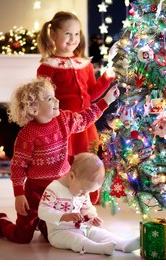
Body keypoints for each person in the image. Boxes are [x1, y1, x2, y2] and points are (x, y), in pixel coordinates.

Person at [0, 77, 119, 244]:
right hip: (35, 190)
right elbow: (18, 167)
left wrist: (106, 100)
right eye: (50, 99)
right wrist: (19, 194)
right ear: (33, 109)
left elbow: (86, 118)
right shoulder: (27, 135)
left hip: (60, 187)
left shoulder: (64, 119)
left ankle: (43, 224)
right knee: (22, 237)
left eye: (54, 96)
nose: (57, 100)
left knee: (53, 233)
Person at [37, 11, 116, 204]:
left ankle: (87, 204)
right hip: (63, 125)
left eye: (76, 34)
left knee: (90, 161)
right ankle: (62, 202)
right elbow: (45, 99)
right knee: (66, 163)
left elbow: (92, 93)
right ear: (53, 35)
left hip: (86, 124)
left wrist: (109, 71)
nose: (73, 39)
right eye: (67, 34)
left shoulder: (85, 64)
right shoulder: (47, 67)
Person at [38, 152, 140, 255]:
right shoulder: (54, 189)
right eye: (83, 190)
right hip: (59, 233)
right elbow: (42, 211)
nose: (84, 194)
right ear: (72, 176)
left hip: (82, 227)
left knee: (99, 233)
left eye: (87, 192)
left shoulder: (82, 191)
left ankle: (123, 244)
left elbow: (87, 208)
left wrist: (92, 217)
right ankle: (98, 248)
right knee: (76, 239)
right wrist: (64, 216)